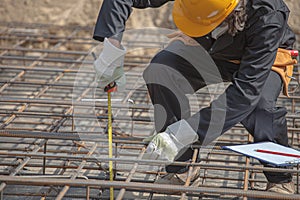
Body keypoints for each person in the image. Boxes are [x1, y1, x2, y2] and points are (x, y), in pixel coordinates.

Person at [93, 0, 297, 194]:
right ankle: (182, 167)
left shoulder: (268, 13)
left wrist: (185, 131)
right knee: (161, 70)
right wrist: (111, 47)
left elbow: (246, 92)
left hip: (265, 55)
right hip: (211, 44)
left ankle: (279, 177)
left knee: (259, 106)